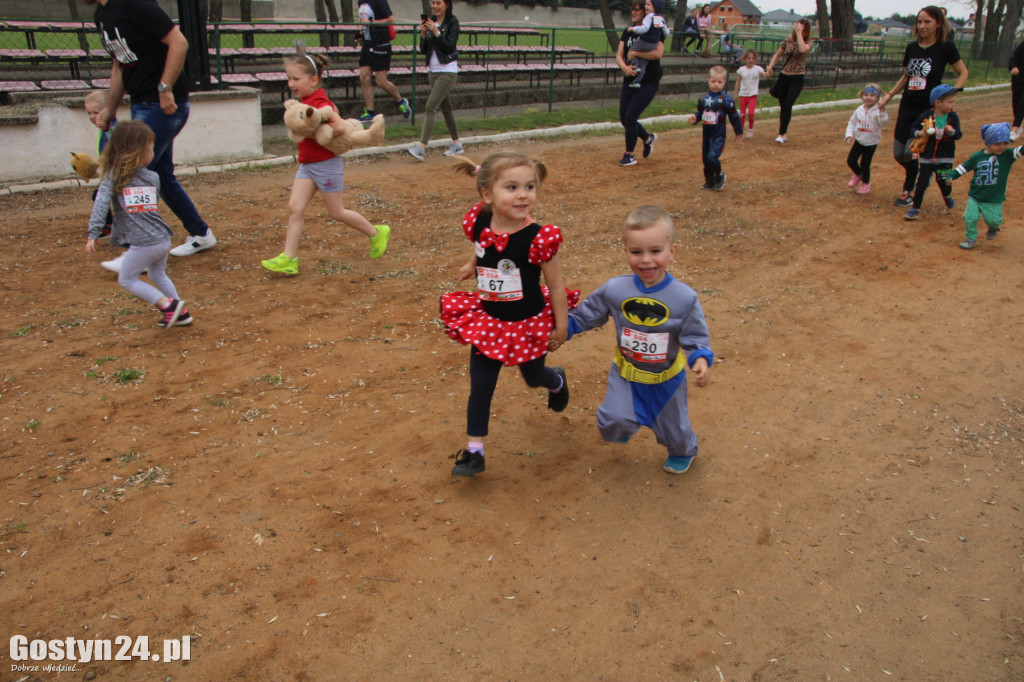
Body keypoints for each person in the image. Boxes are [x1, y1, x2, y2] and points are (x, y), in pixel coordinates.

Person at [439, 150, 579, 478]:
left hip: (527, 324)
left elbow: (556, 286)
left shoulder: (538, 238)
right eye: (512, 187)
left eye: (529, 187)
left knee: (534, 378)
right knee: (481, 388)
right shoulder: (479, 220)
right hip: (489, 323)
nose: (523, 195)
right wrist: (472, 264)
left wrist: (561, 327)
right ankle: (475, 452)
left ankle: (556, 381)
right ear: (487, 194)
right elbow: (482, 245)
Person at [565, 205, 714, 475]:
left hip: (666, 381)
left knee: (675, 432)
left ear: (672, 251)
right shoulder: (616, 289)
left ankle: (683, 450)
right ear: (626, 251)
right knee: (611, 422)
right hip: (625, 375)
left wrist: (700, 357)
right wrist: (566, 326)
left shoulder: (684, 298)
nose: (646, 260)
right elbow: (588, 314)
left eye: (655, 251)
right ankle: (624, 423)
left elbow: (695, 336)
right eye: (636, 252)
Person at [83, 0, 217, 260]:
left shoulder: (134, 4)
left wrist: (165, 87)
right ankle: (200, 233)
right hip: (140, 103)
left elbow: (179, 42)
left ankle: (141, 251)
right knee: (161, 175)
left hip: (162, 105)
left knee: (130, 175)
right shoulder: (102, 14)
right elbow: (119, 65)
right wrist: (109, 109)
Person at [261, 53, 391, 276]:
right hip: (308, 165)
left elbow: (339, 127)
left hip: (326, 165)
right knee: (295, 208)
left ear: (313, 80)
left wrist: (312, 129)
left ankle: (376, 232)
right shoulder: (303, 103)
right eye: (289, 79)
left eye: (296, 79)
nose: (291, 84)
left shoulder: (320, 101)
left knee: (337, 212)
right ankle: (289, 258)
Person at [85, 121, 191, 330]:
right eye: (150, 148)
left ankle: (167, 305)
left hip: (145, 243)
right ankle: (180, 313)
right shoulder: (153, 177)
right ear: (136, 152)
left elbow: (101, 203)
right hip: (162, 238)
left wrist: (94, 232)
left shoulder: (113, 178)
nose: (153, 152)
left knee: (127, 279)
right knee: (157, 275)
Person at [879, 6, 968, 207]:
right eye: (919, 22)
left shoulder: (946, 47)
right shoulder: (912, 48)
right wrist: (889, 96)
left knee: (912, 150)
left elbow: (963, 72)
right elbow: (906, 75)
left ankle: (908, 191)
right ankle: (919, 172)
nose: (922, 26)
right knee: (899, 153)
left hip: (927, 109)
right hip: (907, 104)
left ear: (938, 23)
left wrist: (951, 96)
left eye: (927, 21)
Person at [948, 122, 1023, 250]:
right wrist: (952, 175)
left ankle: (993, 227)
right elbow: (965, 167)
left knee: (993, 220)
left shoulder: (1008, 155)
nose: (1002, 147)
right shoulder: (977, 156)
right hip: (975, 195)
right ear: (988, 143)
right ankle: (970, 238)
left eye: (1005, 143)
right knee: (969, 217)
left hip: (994, 197)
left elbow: (1021, 150)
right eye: (997, 144)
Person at [408, 0, 463, 161]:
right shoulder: (431, 22)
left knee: (430, 106)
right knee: (446, 108)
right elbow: (424, 50)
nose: (435, 6)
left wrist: (437, 32)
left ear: (447, 5)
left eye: (438, 3)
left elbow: (449, 46)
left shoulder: (452, 22)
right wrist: (424, 34)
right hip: (433, 71)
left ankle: (421, 147)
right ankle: (457, 143)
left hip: (448, 71)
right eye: (433, 3)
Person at [616, 1, 665, 167]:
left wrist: (636, 52)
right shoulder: (628, 31)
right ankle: (648, 138)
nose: (633, 12)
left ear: (645, 11)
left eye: (637, 9)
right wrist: (624, 68)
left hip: (648, 80)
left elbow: (658, 54)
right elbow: (620, 54)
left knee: (630, 117)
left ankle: (629, 155)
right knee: (624, 118)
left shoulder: (655, 27)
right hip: (630, 79)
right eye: (632, 9)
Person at [904, 84, 961, 220]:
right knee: (922, 183)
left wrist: (952, 132)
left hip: (945, 158)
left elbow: (958, 135)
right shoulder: (926, 116)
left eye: (953, 101)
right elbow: (912, 129)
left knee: (943, 181)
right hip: (927, 158)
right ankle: (915, 208)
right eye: (950, 102)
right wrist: (920, 133)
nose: (953, 104)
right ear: (938, 103)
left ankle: (947, 196)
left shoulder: (953, 117)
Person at [688, 65, 743, 190]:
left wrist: (739, 132)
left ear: (724, 83)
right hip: (706, 134)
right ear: (708, 81)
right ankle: (709, 181)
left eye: (719, 82)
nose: (716, 84)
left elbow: (734, 116)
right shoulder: (703, 99)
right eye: (713, 81)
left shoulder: (726, 100)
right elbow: (701, 113)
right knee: (705, 159)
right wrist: (695, 119)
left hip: (718, 135)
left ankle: (719, 176)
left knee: (712, 156)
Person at [356, 0, 412, 122]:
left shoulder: (380, 1)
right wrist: (360, 35)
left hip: (381, 44)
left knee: (380, 81)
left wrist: (371, 22)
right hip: (367, 44)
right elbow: (364, 22)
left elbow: (391, 20)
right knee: (364, 78)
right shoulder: (360, 1)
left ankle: (401, 101)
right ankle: (370, 112)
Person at [765, 17, 812, 144]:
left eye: (802, 29)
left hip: (797, 78)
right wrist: (770, 66)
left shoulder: (808, 43)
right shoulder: (788, 41)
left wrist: (799, 34)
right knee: (783, 106)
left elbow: (803, 50)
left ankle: (781, 133)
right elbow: (777, 54)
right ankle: (783, 132)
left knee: (788, 105)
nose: (799, 30)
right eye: (797, 27)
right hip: (784, 77)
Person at [84, 89, 117, 258]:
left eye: (96, 112)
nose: (91, 116)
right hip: (110, 173)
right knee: (99, 196)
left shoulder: (113, 127)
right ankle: (109, 226)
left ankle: (109, 227)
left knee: (103, 197)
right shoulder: (104, 128)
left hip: (118, 175)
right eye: (89, 112)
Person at [844, 83, 889, 195]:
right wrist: (849, 135)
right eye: (866, 94)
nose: (868, 97)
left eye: (872, 95)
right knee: (851, 160)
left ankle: (866, 183)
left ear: (878, 97)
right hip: (859, 141)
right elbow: (852, 122)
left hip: (871, 143)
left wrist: (882, 111)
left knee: (865, 164)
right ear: (862, 96)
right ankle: (858, 174)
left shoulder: (878, 111)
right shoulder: (859, 110)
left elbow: (883, 122)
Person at [625, 0, 670, 88]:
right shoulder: (659, 18)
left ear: (655, 7)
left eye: (649, 5)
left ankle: (635, 65)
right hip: (653, 44)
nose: (646, 6)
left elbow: (644, 29)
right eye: (646, 4)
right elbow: (666, 32)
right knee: (643, 63)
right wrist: (664, 36)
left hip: (645, 40)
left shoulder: (649, 17)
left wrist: (633, 29)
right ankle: (637, 81)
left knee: (632, 50)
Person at [733, 49, 764, 138]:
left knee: (751, 113)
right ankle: (740, 131)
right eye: (749, 58)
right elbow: (738, 82)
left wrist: (769, 72)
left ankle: (750, 128)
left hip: (752, 95)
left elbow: (765, 74)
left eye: (753, 58)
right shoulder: (741, 70)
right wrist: (735, 94)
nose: (751, 60)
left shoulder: (758, 69)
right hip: (743, 94)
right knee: (742, 114)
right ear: (745, 59)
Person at [1009, 41, 1024, 140]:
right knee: (1016, 103)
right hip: (1018, 79)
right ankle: (1018, 126)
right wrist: (1013, 67)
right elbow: (1014, 59)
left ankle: (1014, 128)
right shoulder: (1023, 46)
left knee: (1021, 105)